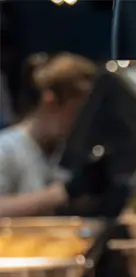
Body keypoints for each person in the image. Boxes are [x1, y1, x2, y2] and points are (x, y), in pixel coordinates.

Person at [0, 52, 108, 217]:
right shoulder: (7, 149)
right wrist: (62, 193)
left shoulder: (63, 151)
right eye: (76, 112)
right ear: (50, 101)